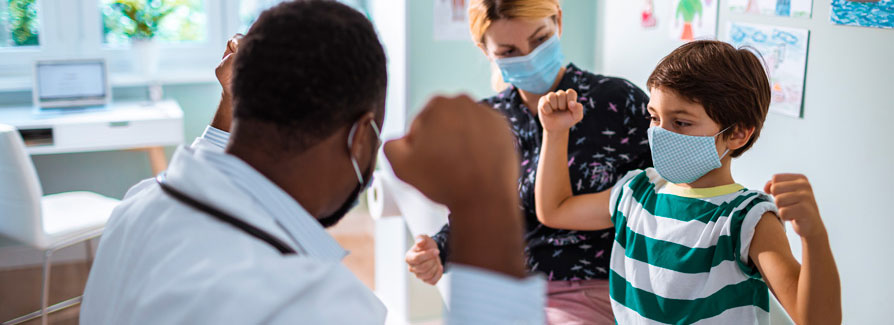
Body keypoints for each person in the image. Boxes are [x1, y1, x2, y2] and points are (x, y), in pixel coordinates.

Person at [80, 1, 545, 323]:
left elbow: (207, 168)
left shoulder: (137, 208)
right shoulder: (308, 305)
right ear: (361, 136)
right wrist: (486, 199)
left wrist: (229, 107)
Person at [534, 40, 841, 324]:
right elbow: (555, 210)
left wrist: (813, 236)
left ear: (737, 133)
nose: (661, 133)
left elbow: (816, 321)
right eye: (655, 118)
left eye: (681, 122)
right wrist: (556, 132)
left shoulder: (746, 219)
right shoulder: (636, 194)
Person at [405, 0, 651, 323]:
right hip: (507, 294)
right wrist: (436, 251)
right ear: (485, 50)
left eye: (539, 40)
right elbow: (477, 216)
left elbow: (661, 199)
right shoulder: (485, 122)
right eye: (508, 51)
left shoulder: (619, 102)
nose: (529, 57)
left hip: (598, 290)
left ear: (558, 23)